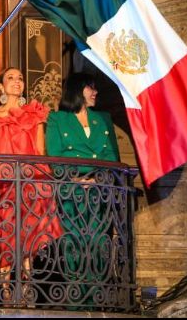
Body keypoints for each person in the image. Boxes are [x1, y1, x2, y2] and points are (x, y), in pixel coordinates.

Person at [0, 67, 63, 305]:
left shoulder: (33, 114)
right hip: (0, 188)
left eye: (20, 78)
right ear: (0, 86)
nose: (16, 81)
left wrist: (44, 186)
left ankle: (27, 291)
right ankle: (5, 293)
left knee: (28, 240)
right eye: (10, 78)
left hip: (29, 185)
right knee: (4, 238)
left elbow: (40, 153)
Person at [45, 72, 121, 306]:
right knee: (74, 243)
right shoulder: (57, 119)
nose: (95, 92)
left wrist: (97, 177)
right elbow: (55, 157)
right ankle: (76, 299)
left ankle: (96, 299)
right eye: (90, 87)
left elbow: (112, 157)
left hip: (99, 191)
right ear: (77, 91)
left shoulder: (103, 118)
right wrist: (78, 176)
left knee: (99, 243)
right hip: (71, 191)